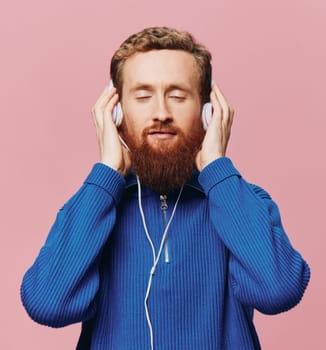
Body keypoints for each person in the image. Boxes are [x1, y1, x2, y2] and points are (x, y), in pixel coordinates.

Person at [21, 26, 310, 350]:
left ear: (207, 111)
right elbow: (49, 304)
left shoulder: (241, 200)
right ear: (115, 112)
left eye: (177, 96)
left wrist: (217, 169)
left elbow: (278, 291)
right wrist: (106, 176)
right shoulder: (93, 208)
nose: (161, 113)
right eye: (143, 96)